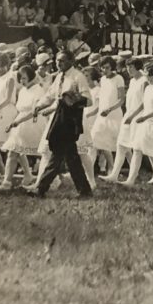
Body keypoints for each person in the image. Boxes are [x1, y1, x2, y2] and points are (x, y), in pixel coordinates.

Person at [30, 51, 94, 198]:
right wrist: (39, 106)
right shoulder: (59, 76)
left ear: (71, 61)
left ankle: (41, 189)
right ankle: (85, 191)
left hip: (71, 120)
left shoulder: (78, 77)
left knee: (57, 155)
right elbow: (50, 96)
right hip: (59, 118)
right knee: (71, 158)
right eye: (58, 61)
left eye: (63, 61)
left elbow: (89, 100)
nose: (59, 64)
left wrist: (73, 98)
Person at [103, 57, 146, 184]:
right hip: (129, 115)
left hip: (138, 117)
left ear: (138, 67)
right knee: (121, 144)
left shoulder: (144, 81)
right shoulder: (132, 81)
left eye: (131, 67)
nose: (128, 70)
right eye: (127, 67)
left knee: (138, 148)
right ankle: (114, 175)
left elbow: (144, 103)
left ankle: (131, 179)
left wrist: (132, 117)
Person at [90, 56, 125, 179]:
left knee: (119, 145)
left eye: (107, 67)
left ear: (112, 67)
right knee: (94, 141)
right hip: (102, 116)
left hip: (114, 115)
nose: (104, 70)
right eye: (102, 67)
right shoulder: (103, 80)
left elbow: (121, 99)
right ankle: (89, 170)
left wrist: (109, 109)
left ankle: (117, 170)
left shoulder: (119, 78)